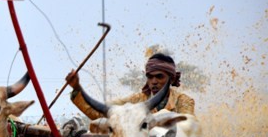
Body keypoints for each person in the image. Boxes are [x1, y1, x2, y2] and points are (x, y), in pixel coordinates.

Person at [66, 53, 195, 119]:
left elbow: (187, 128)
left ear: (171, 79)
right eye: (150, 77)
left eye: (159, 76)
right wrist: (77, 89)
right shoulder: (136, 101)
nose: (154, 81)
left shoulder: (183, 101)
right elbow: (102, 113)